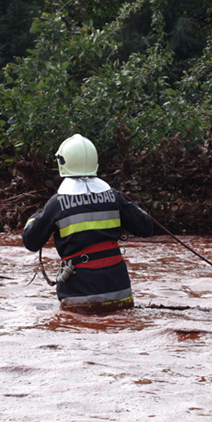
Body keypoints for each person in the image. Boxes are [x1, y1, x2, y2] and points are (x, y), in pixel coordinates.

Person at [22, 134, 153, 313]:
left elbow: (30, 241)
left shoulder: (57, 203)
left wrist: (37, 216)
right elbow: (146, 226)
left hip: (79, 296)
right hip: (119, 292)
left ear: (63, 162)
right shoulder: (114, 196)